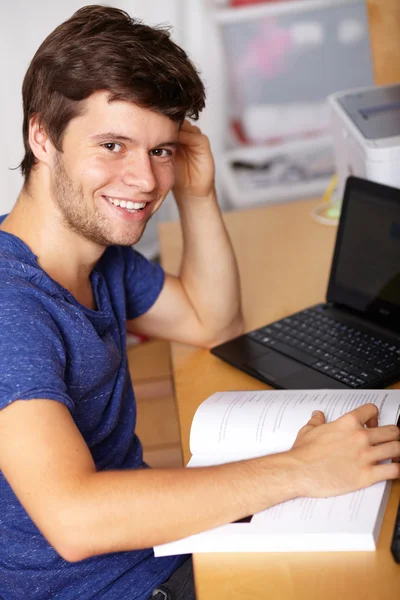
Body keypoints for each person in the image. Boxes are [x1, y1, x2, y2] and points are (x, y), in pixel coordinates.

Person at [0, 5, 399, 600]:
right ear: (42, 136)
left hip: (157, 547)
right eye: (113, 144)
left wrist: (199, 193)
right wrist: (299, 469)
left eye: (161, 150)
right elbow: (74, 521)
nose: (142, 179)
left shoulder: (91, 253)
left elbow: (213, 320)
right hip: (116, 584)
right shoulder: (13, 309)